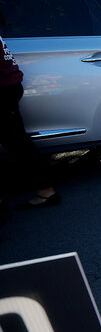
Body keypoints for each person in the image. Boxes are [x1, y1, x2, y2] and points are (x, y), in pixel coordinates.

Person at [1, 33, 60, 221]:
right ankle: (45, 191)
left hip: (3, 87)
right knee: (17, 141)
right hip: (8, 85)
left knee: (18, 143)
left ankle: (46, 191)